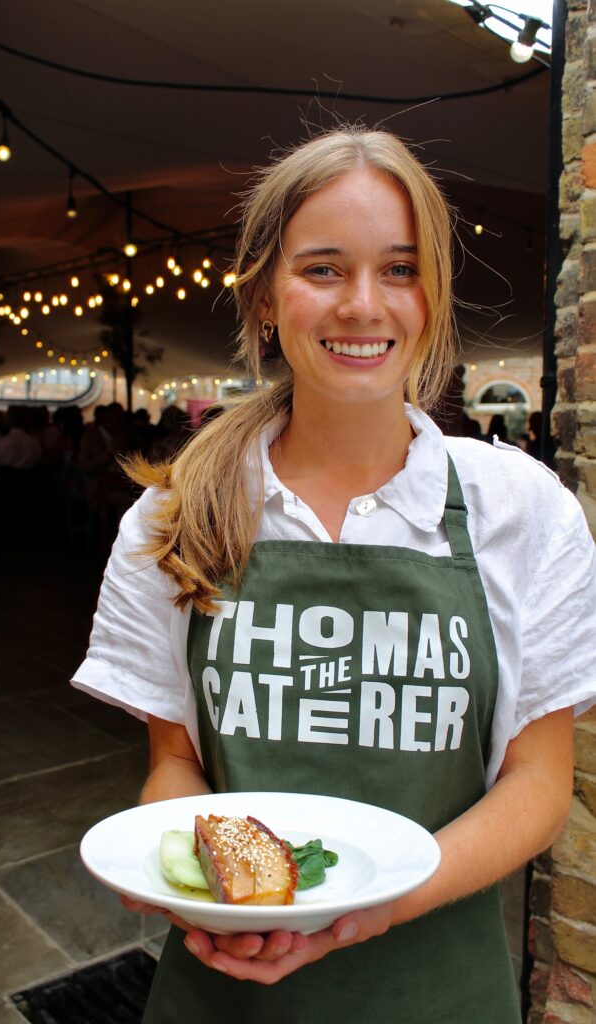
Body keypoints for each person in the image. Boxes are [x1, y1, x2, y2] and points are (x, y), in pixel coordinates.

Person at [72, 128, 596, 1023]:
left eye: (398, 269)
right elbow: (174, 766)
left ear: (431, 296)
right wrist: (194, 885)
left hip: (437, 987)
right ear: (265, 296)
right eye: (322, 269)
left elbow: (539, 784)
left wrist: (377, 907)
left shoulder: (524, 511)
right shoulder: (175, 517)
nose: (363, 304)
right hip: (221, 981)